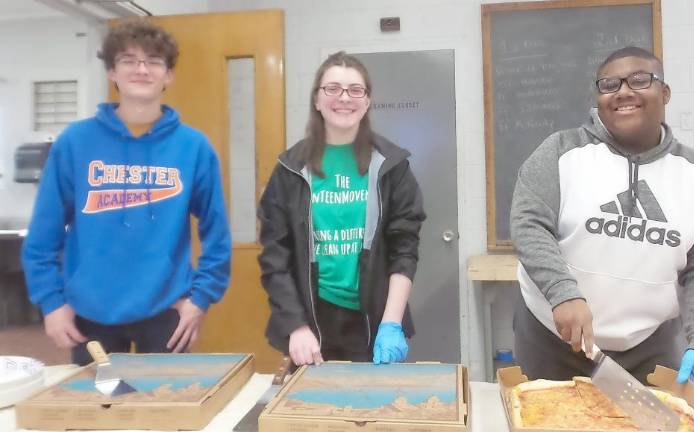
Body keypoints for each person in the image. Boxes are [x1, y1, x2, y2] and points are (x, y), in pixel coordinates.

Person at [510, 46, 694, 398]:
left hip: (650, 347)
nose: (624, 92)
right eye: (609, 84)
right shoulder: (560, 152)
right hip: (552, 339)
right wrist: (562, 294)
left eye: (640, 80)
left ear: (666, 93)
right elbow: (529, 224)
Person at [21, 20, 231, 365]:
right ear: (112, 73)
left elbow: (218, 235)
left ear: (169, 75)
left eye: (153, 61)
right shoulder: (75, 143)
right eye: (129, 60)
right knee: (99, 411)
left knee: (165, 410)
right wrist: (52, 303)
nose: (142, 69)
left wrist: (200, 298)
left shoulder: (193, 147)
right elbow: (43, 235)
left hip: (167, 312)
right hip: (90, 313)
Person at [258, 51, 425, 366]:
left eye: (355, 89)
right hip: (310, 322)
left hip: (374, 319)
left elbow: (405, 249)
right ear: (317, 100)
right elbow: (274, 258)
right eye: (332, 88)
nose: (344, 97)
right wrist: (296, 325)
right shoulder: (290, 169)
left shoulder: (392, 166)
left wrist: (391, 323)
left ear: (367, 101)